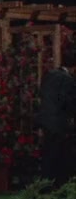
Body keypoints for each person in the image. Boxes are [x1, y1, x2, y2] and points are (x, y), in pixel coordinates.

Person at [36, 47, 76, 186]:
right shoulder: (68, 80)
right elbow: (67, 102)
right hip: (59, 123)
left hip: (46, 121)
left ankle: (44, 185)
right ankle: (59, 185)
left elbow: (42, 95)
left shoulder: (49, 75)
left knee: (48, 155)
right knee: (61, 157)